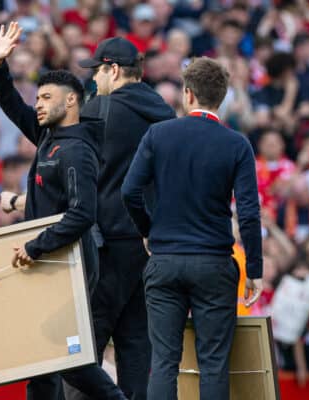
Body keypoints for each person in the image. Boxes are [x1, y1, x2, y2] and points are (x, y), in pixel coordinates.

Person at [0, 22, 126, 400]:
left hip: (71, 257)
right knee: (41, 357)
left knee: (63, 356)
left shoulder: (78, 149)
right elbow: (10, 104)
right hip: (49, 256)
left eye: (46, 97)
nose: (37, 104)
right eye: (38, 97)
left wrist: (36, 246)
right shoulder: (49, 136)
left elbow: (83, 213)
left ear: (71, 102)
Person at [121, 57, 264, 400]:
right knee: (213, 364)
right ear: (222, 96)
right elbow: (248, 213)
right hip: (214, 263)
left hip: (165, 259)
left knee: (164, 361)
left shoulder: (158, 134)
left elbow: (129, 192)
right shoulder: (237, 144)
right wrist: (254, 270)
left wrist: (148, 232)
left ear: (187, 94)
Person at [68, 37, 176, 400]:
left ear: (113, 69)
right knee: (136, 347)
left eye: (97, 70)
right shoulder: (166, 114)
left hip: (108, 243)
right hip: (150, 245)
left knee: (84, 349)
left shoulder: (100, 109)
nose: (94, 79)